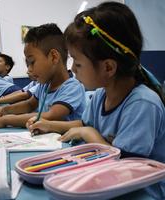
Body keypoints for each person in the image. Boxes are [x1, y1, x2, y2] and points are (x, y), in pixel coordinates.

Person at [25, 2, 165, 199]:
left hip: (139, 193)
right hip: (105, 183)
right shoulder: (101, 93)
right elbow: (83, 123)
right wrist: (49, 125)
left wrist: (88, 133)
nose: (73, 69)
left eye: (78, 63)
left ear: (108, 68)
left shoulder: (143, 104)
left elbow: (125, 169)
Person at [0, 23, 86, 129]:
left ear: (53, 57)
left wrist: (5, 120)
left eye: (32, 62)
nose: (29, 70)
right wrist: (5, 110)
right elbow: (29, 105)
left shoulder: (72, 87)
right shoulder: (44, 86)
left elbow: (50, 116)